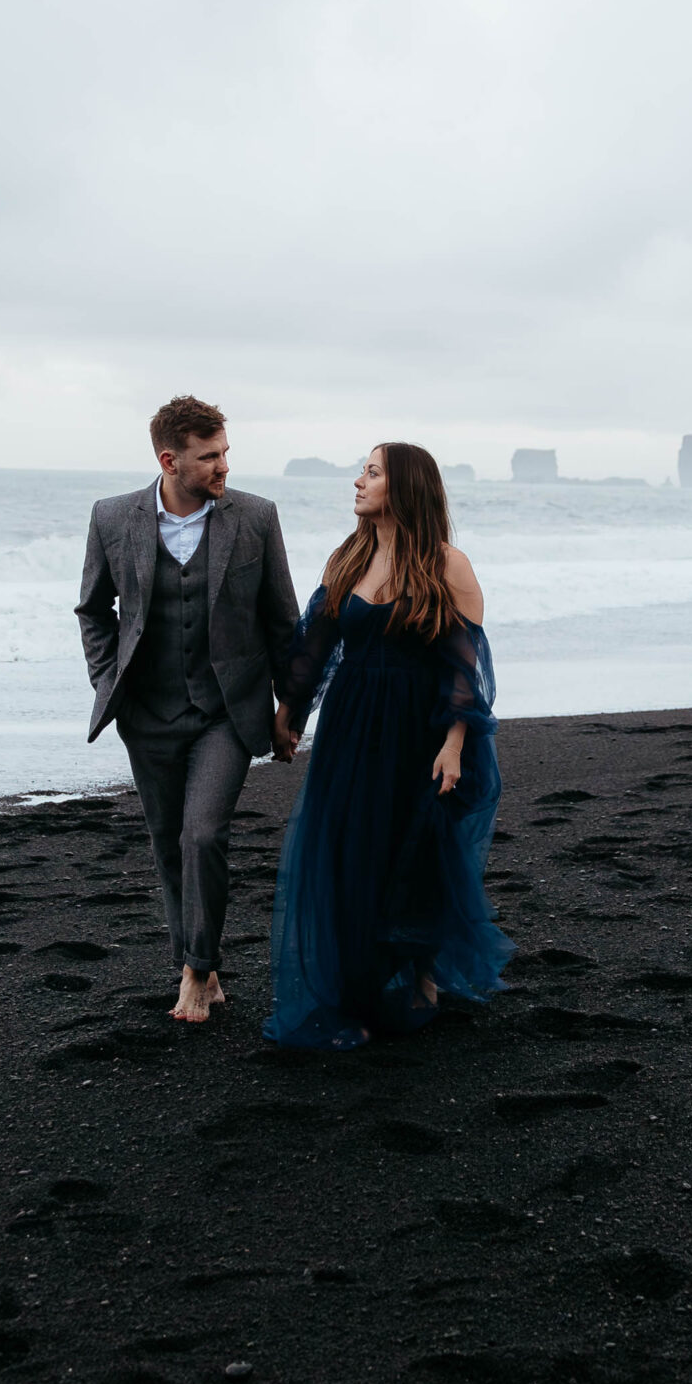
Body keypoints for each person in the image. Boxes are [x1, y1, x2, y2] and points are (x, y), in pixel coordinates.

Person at [264, 443, 514, 1048]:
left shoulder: (447, 565)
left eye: (372, 472)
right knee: (350, 843)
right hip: (352, 724)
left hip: (420, 728)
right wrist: (288, 710)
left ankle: (421, 975)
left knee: (415, 848)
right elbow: (315, 645)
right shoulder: (348, 558)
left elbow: (463, 667)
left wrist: (455, 743)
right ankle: (358, 978)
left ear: (403, 488)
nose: (358, 480)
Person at [76, 395, 304, 1022]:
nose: (224, 466)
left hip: (227, 712)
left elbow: (283, 622)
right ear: (170, 460)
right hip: (146, 714)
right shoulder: (112, 517)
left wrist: (293, 709)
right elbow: (94, 610)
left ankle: (197, 971)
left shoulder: (255, 517)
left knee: (202, 833)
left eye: (226, 452)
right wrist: (107, 678)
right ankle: (197, 959)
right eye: (210, 458)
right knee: (167, 842)